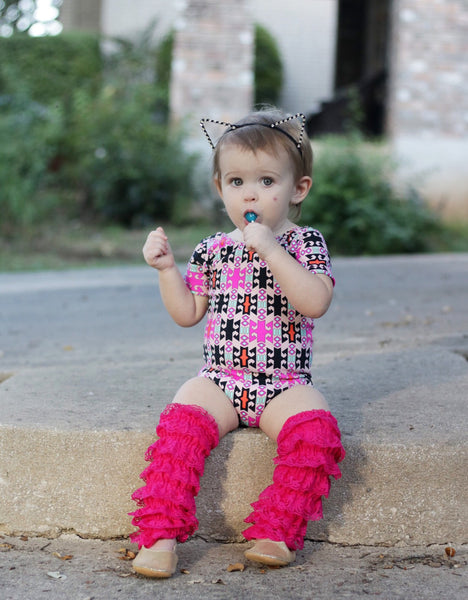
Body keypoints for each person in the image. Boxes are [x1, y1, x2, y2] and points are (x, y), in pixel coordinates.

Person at [129, 108, 345, 578]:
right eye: (236, 182)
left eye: (268, 181)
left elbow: (315, 302)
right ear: (220, 188)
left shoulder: (306, 243)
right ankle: (159, 534)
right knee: (180, 426)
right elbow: (188, 313)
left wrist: (271, 249)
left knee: (317, 433)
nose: (251, 193)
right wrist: (167, 270)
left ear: (298, 189)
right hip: (221, 379)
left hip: (284, 383)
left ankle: (275, 529)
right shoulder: (212, 250)